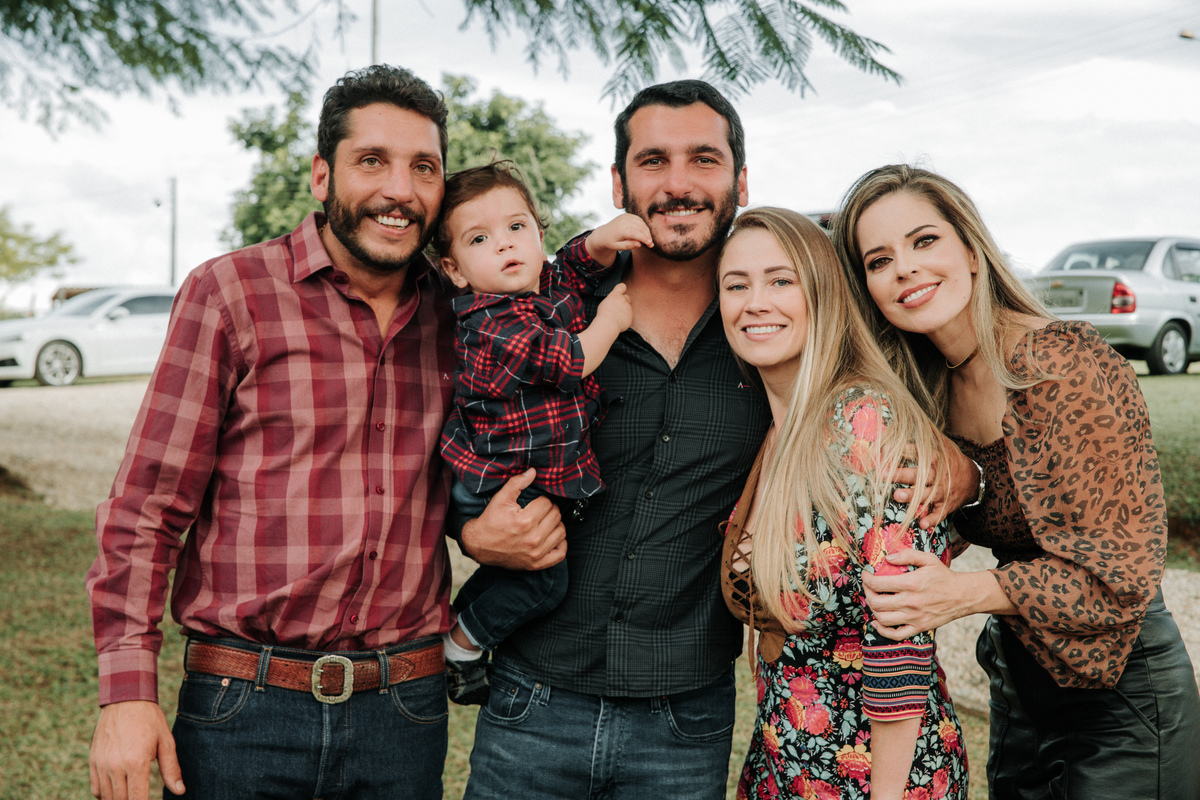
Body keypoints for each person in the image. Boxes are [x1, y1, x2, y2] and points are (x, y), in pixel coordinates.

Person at [84, 65, 565, 800]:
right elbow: (147, 507)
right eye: (372, 161)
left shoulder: (466, 318)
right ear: (321, 175)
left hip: (402, 712)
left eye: (424, 168)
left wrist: (479, 535)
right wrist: (125, 693)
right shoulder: (232, 293)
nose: (400, 189)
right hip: (240, 708)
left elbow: (473, 464)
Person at [832, 163, 1200, 799]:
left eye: (925, 241)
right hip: (1021, 682)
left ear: (972, 251)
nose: (906, 269)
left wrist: (963, 593)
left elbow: (1120, 578)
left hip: (1123, 694)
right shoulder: (926, 387)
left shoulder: (1063, 363)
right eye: (878, 259)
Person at [458, 79, 772, 799]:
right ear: (619, 181)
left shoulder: (772, 327)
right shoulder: (547, 313)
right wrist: (473, 533)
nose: (680, 183)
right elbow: (464, 428)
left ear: (741, 180)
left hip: (685, 719)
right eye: (654, 160)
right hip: (531, 700)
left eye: (704, 159)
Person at [716, 207, 968, 800]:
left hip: (879, 778)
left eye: (781, 280)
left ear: (823, 293)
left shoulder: (861, 419)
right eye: (737, 284)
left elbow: (901, 633)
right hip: (786, 765)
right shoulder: (773, 430)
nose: (756, 302)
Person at [430, 160, 645, 703]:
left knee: (528, 569)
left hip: (524, 469)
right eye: (481, 238)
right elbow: (572, 359)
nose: (505, 245)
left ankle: (461, 622)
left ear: (538, 233)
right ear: (455, 270)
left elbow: (570, 270)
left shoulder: (539, 287)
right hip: (500, 479)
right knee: (545, 578)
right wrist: (611, 321)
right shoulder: (491, 321)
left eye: (517, 227)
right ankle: (464, 640)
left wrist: (599, 240)